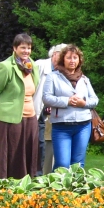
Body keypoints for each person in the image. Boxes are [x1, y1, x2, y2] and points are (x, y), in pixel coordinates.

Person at [0, 33, 40, 179]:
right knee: (3, 156)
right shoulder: (5, 67)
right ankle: (0, 187)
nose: (26, 51)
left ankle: (23, 186)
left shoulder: (32, 66)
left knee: (26, 155)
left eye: (28, 48)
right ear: (14, 48)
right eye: (22, 47)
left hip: (30, 118)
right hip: (6, 119)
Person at [43, 45, 98, 169]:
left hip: (83, 126)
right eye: (69, 58)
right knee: (62, 164)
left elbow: (95, 100)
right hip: (61, 126)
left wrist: (83, 103)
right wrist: (66, 101)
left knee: (78, 164)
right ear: (63, 59)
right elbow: (46, 98)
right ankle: (57, 188)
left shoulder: (84, 79)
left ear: (79, 60)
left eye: (75, 57)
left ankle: (76, 188)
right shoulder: (53, 76)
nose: (72, 61)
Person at [34, 44, 65, 175]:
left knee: (44, 146)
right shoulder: (40, 66)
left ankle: (40, 175)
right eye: (62, 55)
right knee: (34, 144)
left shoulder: (63, 72)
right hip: (34, 110)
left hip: (50, 114)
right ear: (54, 55)